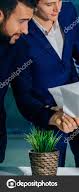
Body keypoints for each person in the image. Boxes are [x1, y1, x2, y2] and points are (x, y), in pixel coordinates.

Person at [11, 0, 79, 167]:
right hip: (48, 113)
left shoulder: (68, 10)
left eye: (59, 0)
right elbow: (23, 95)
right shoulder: (20, 31)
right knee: (51, 171)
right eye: (49, 4)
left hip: (78, 103)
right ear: (33, 4)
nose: (57, 8)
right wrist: (50, 115)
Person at [0, 0, 36, 163]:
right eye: (22, 21)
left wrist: (53, 117)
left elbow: (25, 97)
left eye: (28, 21)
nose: (26, 30)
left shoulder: (18, 46)